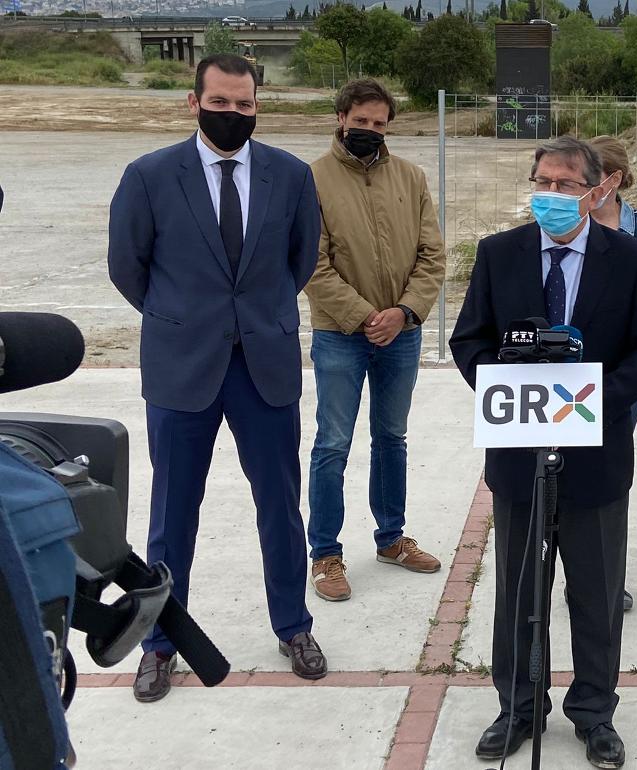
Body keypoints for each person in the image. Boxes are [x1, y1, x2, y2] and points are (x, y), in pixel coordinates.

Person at [107, 54, 327, 703]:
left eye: (244, 106)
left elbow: (302, 257)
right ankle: (160, 644)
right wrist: (181, 318)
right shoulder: (148, 176)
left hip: (264, 363)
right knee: (172, 512)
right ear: (193, 101)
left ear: (258, 105)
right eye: (221, 104)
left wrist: (260, 314)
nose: (233, 115)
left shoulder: (290, 176)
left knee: (281, 507)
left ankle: (293, 626)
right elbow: (128, 266)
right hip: (183, 367)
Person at [450, 136, 637, 768]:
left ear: (596, 191)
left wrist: (593, 397)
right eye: (541, 182)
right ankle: (518, 707)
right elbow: (471, 340)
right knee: (520, 589)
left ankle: (594, 712)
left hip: (597, 455)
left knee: (596, 592)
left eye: (565, 185)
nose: (550, 195)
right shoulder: (499, 254)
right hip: (520, 455)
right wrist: (510, 389)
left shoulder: (629, 260)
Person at [303, 78, 447, 603]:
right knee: (332, 445)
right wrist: (365, 316)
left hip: (401, 334)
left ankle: (391, 539)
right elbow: (310, 265)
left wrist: (404, 312)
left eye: (379, 123)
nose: (368, 130)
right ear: (341, 117)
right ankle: (324, 553)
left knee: (392, 439)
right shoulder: (312, 179)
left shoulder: (411, 177)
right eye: (360, 121)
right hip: (340, 335)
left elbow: (433, 255)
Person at [586, 134, 637, 614]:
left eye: (589, 178)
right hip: (570, 368)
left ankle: (611, 573)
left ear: (611, 180)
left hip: (621, 372)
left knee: (610, 472)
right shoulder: (565, 219)